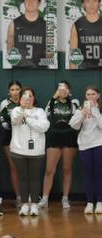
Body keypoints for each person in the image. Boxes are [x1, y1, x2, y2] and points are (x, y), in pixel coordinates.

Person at [10, 87, 49, 216]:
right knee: (22, 179)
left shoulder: (40, 111)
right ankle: (25, 204)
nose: (28, 99)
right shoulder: (16, 110)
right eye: (24, 97)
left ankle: (34, 205)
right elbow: (15, 120)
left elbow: (44, 127)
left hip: (36, 152)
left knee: (34, 179)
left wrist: (30, 118)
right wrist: (23, 111)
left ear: (34, 98)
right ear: (20, 99)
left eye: (30, 96)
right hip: (18, 150)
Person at [41, 81, 79, 210]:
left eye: (65, 88)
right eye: (60, 88)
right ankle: (45, 198)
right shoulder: (51, 102)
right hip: (54, 136)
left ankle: (65, 198)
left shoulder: (74, 103)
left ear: (69, 90)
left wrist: (67, 97)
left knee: (67, 169)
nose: (62, 91)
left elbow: (76, 118)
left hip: (69, 137)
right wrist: (54, 97)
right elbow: (46, 114)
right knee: (49, 170)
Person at [70, 85, 102, 214]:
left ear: (98, 96)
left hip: (99, 144)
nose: (90, 97)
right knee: (88, 174)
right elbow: (74, 125)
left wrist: (94, 111)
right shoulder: (80, 109)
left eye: (93, 94)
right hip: (84, 145)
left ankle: (100, 202)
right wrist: (82, 114)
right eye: (88, 94)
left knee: (99, 173)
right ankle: (89, 202)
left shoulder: (99, 109)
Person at [6, 0, 47, 69]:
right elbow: (10, 50)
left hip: (40, 72)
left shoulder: (46, 26)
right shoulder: (13, 24)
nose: (30, 1)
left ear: (39, 3)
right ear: (24, 2)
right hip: (19, 71)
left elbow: (49, 56)